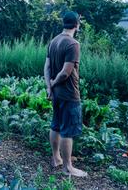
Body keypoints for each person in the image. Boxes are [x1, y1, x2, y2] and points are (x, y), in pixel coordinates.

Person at [44, 11, 87, 177]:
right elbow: (65, 72)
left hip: (56, 93)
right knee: (68, 129)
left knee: (56, 124)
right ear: (76, 25)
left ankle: (56, 158)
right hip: (69, 93)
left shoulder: (53, 41)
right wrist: (54, 83)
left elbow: (46, 67)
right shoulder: (73, 44)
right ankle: (67, 167)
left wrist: (49, 87)